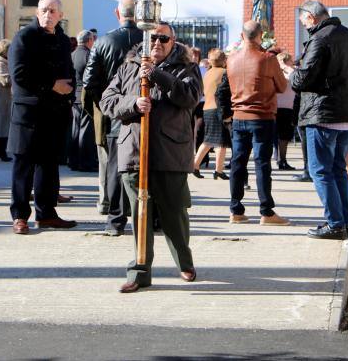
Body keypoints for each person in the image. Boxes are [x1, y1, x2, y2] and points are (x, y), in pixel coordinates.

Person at [100, 22, 202, 293]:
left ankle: (184, 263)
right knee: (140, 215)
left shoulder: (186, 66)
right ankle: (140, 272)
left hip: (170, 152)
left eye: (163, 39)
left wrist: (157, 75)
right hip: (134, 152)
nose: (157, 43)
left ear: (173, 41)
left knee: (174, 214)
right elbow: (107, 100)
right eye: (152, 38)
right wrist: (132, 104)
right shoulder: (129, 65)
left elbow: (190, 97)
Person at [291, 0, 348, 240]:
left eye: (303, 21)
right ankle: (344, 222)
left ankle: (335, 224)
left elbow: (303, 79)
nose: (303, 26)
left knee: (321, 171)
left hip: (324, 114)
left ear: (312, 17)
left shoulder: (320, 38)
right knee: (338, 170)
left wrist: (291, 73)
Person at [8, 0, 77, 234]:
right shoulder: (24, 37)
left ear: (60, 15)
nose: (48, 14)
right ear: (37, 13)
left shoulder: (62, 40)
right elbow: (19, 74)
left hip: (55, 112)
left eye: (53, 11)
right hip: (28, 113)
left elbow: (69, 71)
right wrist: (52, 85)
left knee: (48, 166)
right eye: (44, 10)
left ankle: (47, 214)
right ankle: (19, 216)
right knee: (23, 165)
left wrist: (69, 93)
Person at [82, 0, 142, 233]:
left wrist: (106, 105)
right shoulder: (150, 39)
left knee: (116, 167)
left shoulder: (103, 41)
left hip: (115, 113)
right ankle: (151, 218)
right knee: (148, 166)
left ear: (118, 13)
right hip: (145, 110)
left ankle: (115, 221)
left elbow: (89, 82)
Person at [223, 20, 289, 225]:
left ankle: (235, 209)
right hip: (262, 117)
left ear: (242, 36)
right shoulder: (267, 58)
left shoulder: (231, 59)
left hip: (238, 116)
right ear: (261, 36)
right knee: (262, 164)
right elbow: (282, 86)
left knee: (237, 163)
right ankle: (266, 212)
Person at [192, 48, 230, 179]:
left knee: (209, 140)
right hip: (218, 109)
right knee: (221, 141)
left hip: (206, 108)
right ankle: (218, 170)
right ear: (224, 60)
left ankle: (196, 166)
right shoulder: (225, 72)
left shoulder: (207, 73)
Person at [69, 30, 97, 172]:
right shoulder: (88, 55)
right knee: (86, 130)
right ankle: (85, 162)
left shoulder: (72, 54)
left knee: (75, 129)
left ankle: (73, 161)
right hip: (85, 96)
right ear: (89, 41)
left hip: (74, 95)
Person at [275, 52, 297, 171]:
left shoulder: (288, 71)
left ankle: (281, 159)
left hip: (287, 107)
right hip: (282, 107)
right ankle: (282, 160)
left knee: (284, 136)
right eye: (291, 60)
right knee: (283, 136)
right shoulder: (285, 72)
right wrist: (285, 66)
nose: (293, 62)